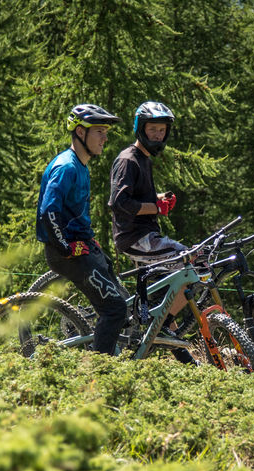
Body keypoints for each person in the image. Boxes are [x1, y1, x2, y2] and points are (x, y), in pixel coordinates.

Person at [36, 103, 127, 355]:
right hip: (68, 253)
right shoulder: (66, 167)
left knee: (121, 300)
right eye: (99, 131)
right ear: (79, 132)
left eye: (106, 132)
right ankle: (100, 374)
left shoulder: (80, 165)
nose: (105, 138)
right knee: (115, 309)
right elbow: (48, 212)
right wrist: (66, 247)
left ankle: (109, 350)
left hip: (83, 248)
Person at [108, 101, 194, 363]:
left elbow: (137, 198)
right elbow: (119, 203)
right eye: (153, 129)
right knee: (193, 263)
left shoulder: (143, 159)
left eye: (162, 130)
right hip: (135, 238)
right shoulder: (128, 160)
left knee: (182, 277)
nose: (158, 135)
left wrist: (158, 200)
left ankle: (165, 334)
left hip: (145, 236)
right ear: (140, 128)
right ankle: (162, 326)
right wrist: (155, 207)